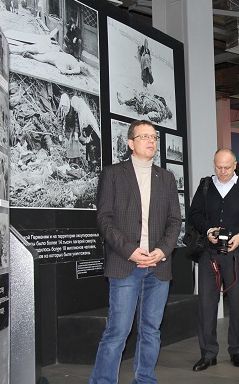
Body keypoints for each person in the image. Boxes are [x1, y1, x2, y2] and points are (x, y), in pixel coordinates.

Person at [89, 120, 181, 384]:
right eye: (144, 136)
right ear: (130, 143)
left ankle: (145, 380)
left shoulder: (166, 178)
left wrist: (162, 250)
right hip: (125, 264)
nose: (151, 141)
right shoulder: (113, 174)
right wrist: (130, 251)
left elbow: (175, 220)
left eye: (154, 137)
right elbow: (104, 219)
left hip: (158, 265)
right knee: (117, 331)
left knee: (151, 330)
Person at [189, 148, 239, 371]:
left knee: (238, 303)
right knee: (206, 305)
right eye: (218, 167)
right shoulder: (205, 186)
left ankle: (236, 350)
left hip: (236, 255)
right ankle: (208, 354)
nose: (222, 171)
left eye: (227, 167)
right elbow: (194, 215)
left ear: (235, 165)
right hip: (209, 255)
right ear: (214, 164)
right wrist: (208, 230)